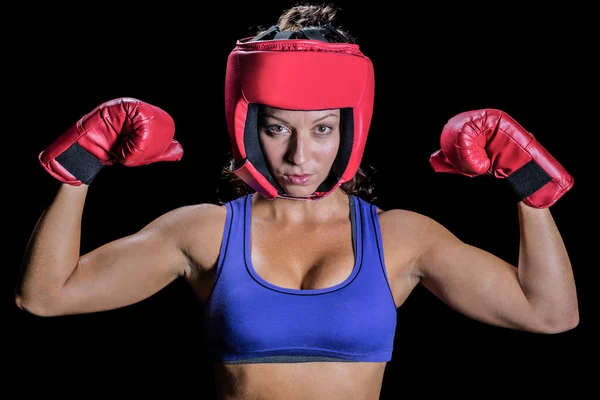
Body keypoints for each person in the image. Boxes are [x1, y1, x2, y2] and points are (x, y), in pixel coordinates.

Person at [15, 3, 579, 400]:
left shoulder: (403, 237)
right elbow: (45, 297)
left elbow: (549, 314)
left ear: (351, 129)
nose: (299, 156)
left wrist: (528, 184)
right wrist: (79, 168)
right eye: (278, 128)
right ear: (248, 125)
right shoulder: (204, 232)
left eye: (324, 129)